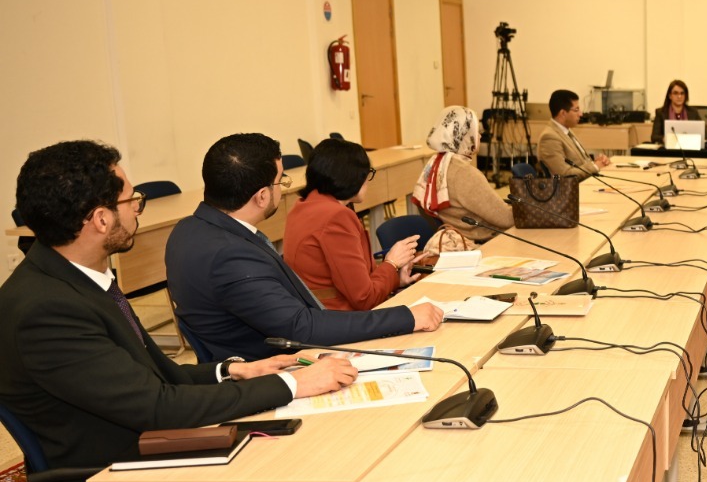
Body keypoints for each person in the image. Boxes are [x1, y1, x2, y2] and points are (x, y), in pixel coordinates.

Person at [0, 139, 404, 482]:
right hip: (122, 480)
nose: (137, 208)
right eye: (131, 199)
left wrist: (235, 370)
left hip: (149, 440)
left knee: (327, 440)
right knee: (324, 479)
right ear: (99, 219)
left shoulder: (74, 279)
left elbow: (155, 378)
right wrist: (291, 384)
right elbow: (156, 406)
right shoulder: (47, 308)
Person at [167, 133, 443, 361]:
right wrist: (406, 317)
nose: (282, 189)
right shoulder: (231, 256)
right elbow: (303, 327)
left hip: (262, 348)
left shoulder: (187, 230)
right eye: (280, 181)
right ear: (262, 196)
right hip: (271, 366)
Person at [285, 138, 422, 310]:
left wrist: (394, 279)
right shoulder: (336, 216)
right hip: (338, 316)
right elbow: (365, 298)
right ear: (351, 177)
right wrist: (392, 263)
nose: (367, 181)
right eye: (366, 174)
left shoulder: (303, 206)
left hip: (312, 310)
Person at [412, 106, 515, 246]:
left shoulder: (436, 164)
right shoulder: (465, 174)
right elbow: (506, 219)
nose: (480, 136)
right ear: (464, 135)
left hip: (462, 239)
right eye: (476, 132)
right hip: (483, 244)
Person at [542, 89, 613, 177]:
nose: (580, 114)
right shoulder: (549, 137)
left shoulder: (567, 130)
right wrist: (595, 167)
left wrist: (597, 162)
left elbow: (582, 163)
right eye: (576, 110)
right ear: (563, 113)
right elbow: (564, 174)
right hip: (576, 185)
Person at [647, 80, 706, 146]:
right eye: (675, 93)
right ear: (670, 96)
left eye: (682, 93)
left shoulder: (693, 112)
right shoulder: (661, 113)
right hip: (668, 149)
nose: (679, 96)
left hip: (689, 148)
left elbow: (705, 134)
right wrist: (664, 139)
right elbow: (654, 137)